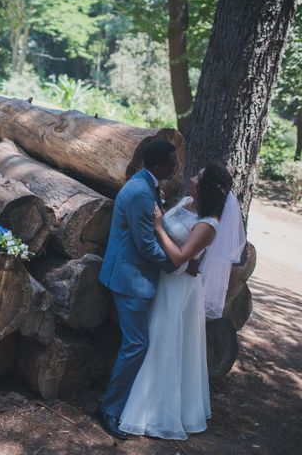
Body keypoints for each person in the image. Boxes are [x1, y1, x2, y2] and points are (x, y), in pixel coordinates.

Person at [117, 163, 241, 440]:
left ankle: (155, 411)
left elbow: (179, 257)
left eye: (198, 178)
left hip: (178, 287)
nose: (192, 179)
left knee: (163, 341)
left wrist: (159, 227)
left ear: (205, 188)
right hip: (162, 280)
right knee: (149, 337)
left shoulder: (209, 225)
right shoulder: (186, 201)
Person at [95, 140, 182, 440]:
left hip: (130, 274)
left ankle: (119, 400)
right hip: (130, 279)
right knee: (137, 345)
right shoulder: (140, 193)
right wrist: (176, 265)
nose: (177, 166)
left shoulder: (148, 184)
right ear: (158, 166)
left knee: (133, 343)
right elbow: (145, 245)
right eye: (173, 161)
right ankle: (109, 409)